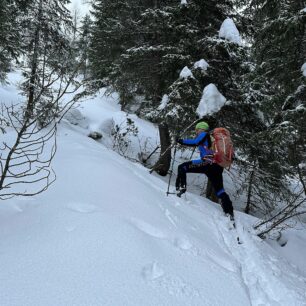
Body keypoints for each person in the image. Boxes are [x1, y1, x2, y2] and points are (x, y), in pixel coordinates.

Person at [175, 121, 234, 217]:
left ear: (200, 129)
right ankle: (229, 212)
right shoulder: (211, 137)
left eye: (196, 130)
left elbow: (195, 142)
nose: (196, 132)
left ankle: (180, 190)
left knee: (182, 167)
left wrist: (180, 141)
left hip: (207, 164)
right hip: (217, 166)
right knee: (220, 190)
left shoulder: (204, 134)